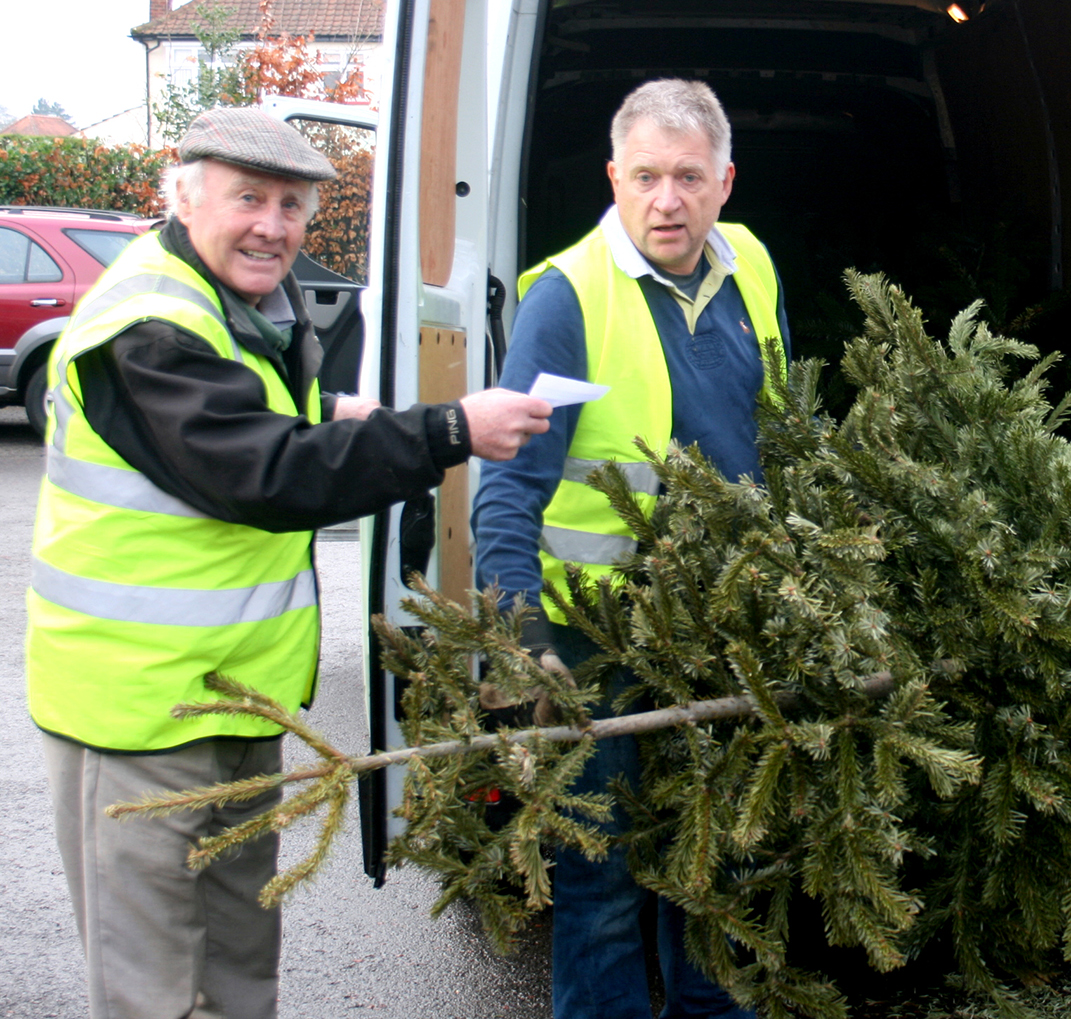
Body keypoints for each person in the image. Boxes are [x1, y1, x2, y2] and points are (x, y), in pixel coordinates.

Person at [25, 107, 553, 1019]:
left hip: (236, 702)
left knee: (240, 964)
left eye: (293, 205)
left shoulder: (242, 303)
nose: (272, 224)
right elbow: (265, 470)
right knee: (152, 991)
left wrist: (341, 407)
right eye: (249, 198)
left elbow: (265, 404)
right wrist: (448, 430)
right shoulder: (149, 323)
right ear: (183, 194)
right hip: (137, 716)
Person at [472, 78, 789, 1019]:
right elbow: (509, 492)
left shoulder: (753, 269)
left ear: (725, 181)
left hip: (722, 623)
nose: (667, 200)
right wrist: (523, 640)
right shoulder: (567, 300)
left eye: (689, 177)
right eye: (645, 176)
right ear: (614, 177)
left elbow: (781, 432)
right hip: (595, 638)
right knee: (602, 881)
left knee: (718, 862)